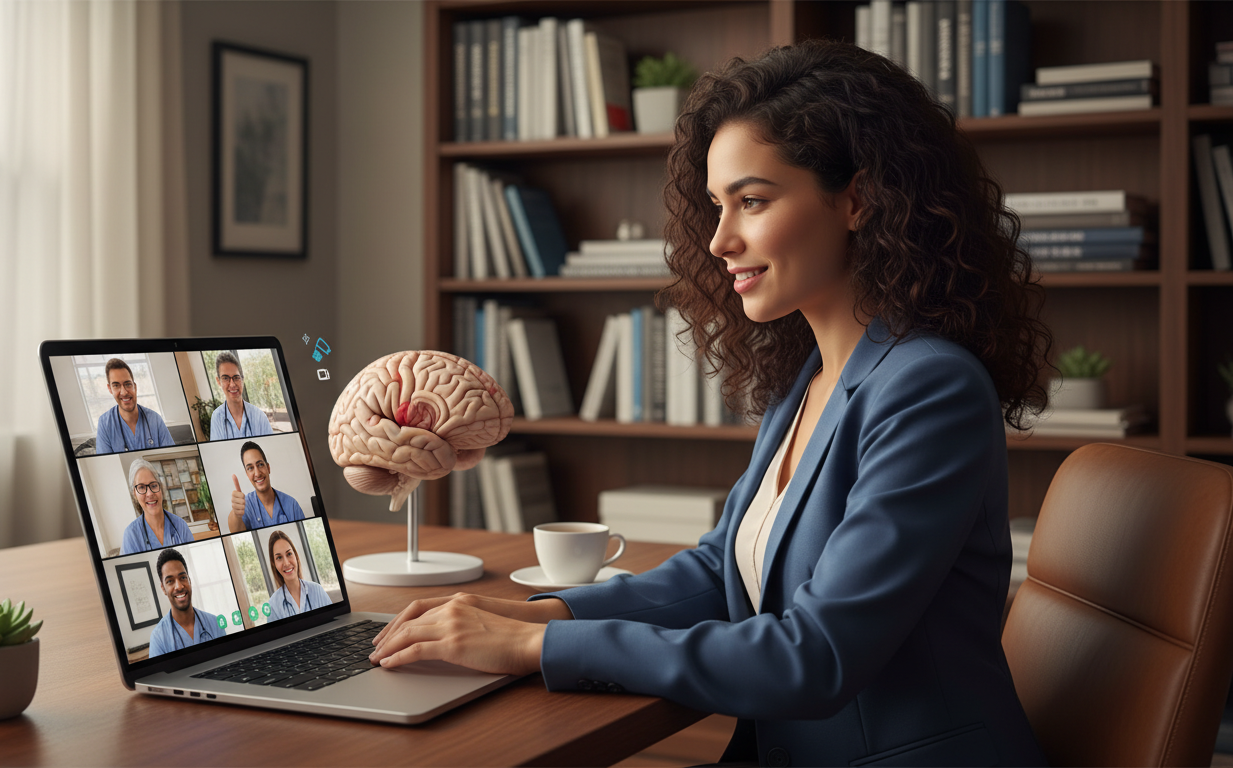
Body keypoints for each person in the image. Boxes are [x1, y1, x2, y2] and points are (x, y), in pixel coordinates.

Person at [366, 40, 1052, 767]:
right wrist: (536, 612)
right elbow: (719, 570)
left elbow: (814, 656)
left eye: (752, 201)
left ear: (859, 199)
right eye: (718, 205)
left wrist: (537, 645)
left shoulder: (929, 389)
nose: (721, 240)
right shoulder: (813, 381)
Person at [147, 548, 224, 658]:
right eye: (170, 581)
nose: (179, 586)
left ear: (189, 580)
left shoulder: (215, 623)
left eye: (183, 577)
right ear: (163, 588)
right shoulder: (158, 638)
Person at [95, 358, 176, 454]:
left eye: (128, 384)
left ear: (135, 386)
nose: (124, 392)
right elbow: (107, 464)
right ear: (110, 389)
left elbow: (172, 456)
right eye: (116, 385)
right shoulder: (105, 424)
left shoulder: (155, 419)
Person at [119, 458, 198, 555]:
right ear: (134, 494)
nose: (149, 493)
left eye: (153, 485)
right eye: (141, 487)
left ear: (161, 487)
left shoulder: (180, 526)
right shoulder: (131, 536)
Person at [227, 441, 307, 533]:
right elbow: (235, 530)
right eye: (250, 468)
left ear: (268, 468)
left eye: (260, 464)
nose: (257, 473)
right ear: (247, 474)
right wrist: (236, 513)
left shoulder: (291, 505)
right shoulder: (245, 506)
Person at [266, 530, 332, 621]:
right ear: (274, 564)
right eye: (279, 557)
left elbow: (334, 623)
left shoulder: (317, 590)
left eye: (289, 554)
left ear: (296, 556)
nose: (286, 563)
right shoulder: (273, 605)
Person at [209, 351, 275, 440]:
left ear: (242, 379)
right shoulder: (217, 418)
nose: (232, 384)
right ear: (218, 381)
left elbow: (270, 448)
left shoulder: (259, 416)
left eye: (236, 377)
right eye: (225, 378)